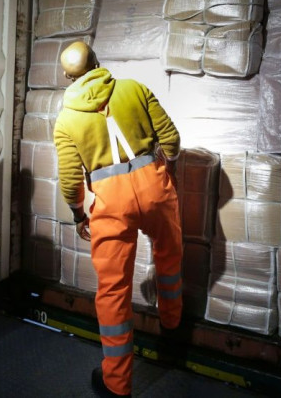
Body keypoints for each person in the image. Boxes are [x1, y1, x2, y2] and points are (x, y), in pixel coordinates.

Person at [53, 42, 184, 397]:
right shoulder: (134, 88)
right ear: (97, 62)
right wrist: (166, 168)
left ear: (68, 77)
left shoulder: (66, 120)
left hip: (110, 204)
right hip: (154, 188)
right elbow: (171, 139)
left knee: (113, 291)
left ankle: (117, 383)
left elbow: (69, 180)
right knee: (168, 261)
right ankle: (172, 333)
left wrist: (79, 213)